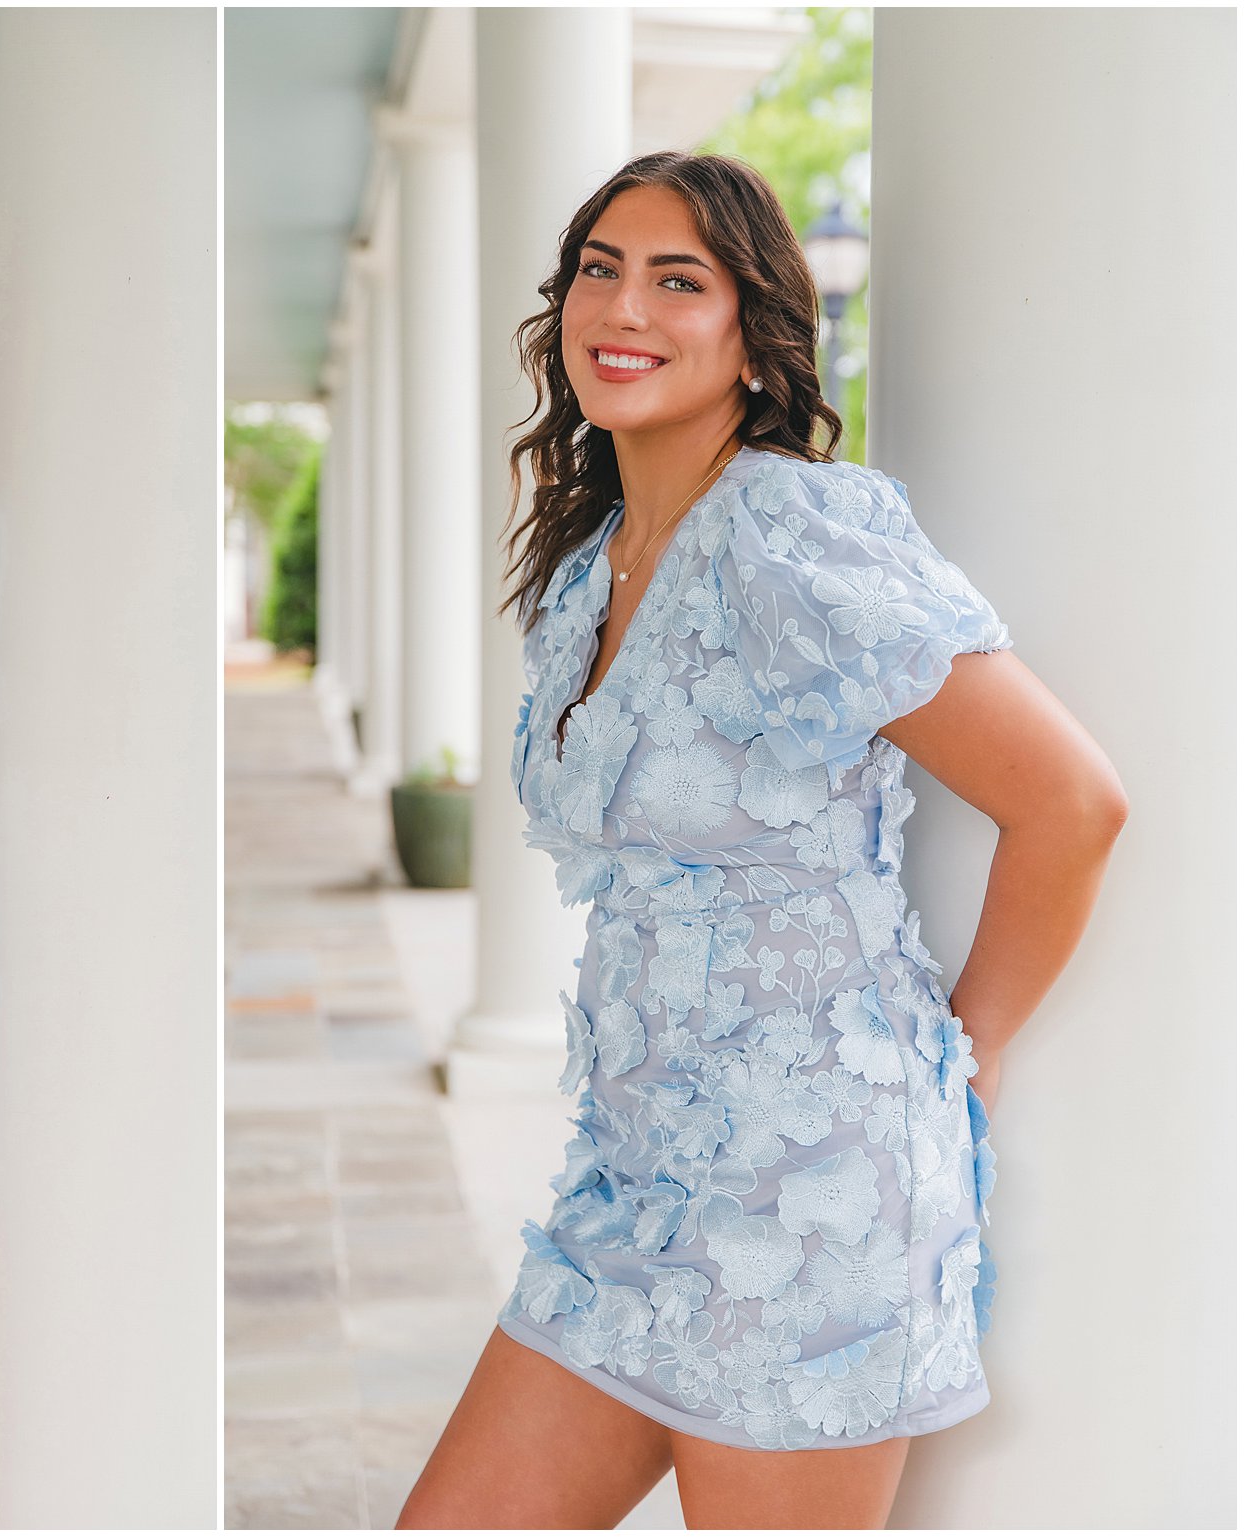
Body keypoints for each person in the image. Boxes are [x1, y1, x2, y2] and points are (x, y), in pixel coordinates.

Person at [398, 153, 1125, 1529]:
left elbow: (1072, 804)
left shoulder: (797, 536)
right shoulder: (586, 561)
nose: (626, 306)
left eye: (682, 279)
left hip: (815, 1208)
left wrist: (962, 1066)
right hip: (633, 1189)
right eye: (601, 268)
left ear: (752, 336)